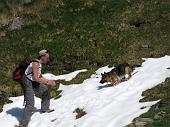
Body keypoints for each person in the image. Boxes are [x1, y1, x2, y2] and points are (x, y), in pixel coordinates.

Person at [19, 50, 57, 127]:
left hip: (32, 81)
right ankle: (23, 124)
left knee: (45, 90)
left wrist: (48, 80)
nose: (48, 59)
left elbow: (39, 76)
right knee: (30, 104)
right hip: (28, 82)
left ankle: (45, 108)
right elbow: (36, 78)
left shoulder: (39, 64)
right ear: (42, 56)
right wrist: (48, 82)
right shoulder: (35, 64)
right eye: (47, 57)